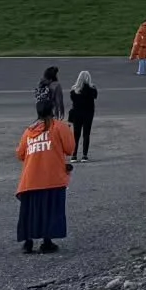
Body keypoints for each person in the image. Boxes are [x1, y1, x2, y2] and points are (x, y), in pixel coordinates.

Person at [15, 92, 74, 255]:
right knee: (50, 209)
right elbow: (70, 148)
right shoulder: (59, 127)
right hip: (52, 177)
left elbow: (20, 154)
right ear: (52, 110)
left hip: (30, 179)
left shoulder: (29, 131)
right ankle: (47, 241)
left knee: (30, 210)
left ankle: (28, 242)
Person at [68, 71, 98, 160]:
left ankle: (74, 155)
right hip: (88, 113)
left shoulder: (74, 90)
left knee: (76, 135)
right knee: (86, 134)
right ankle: (84, 155)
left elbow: (72, 99)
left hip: (77, 113)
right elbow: (95, 96)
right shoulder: (92, 89)